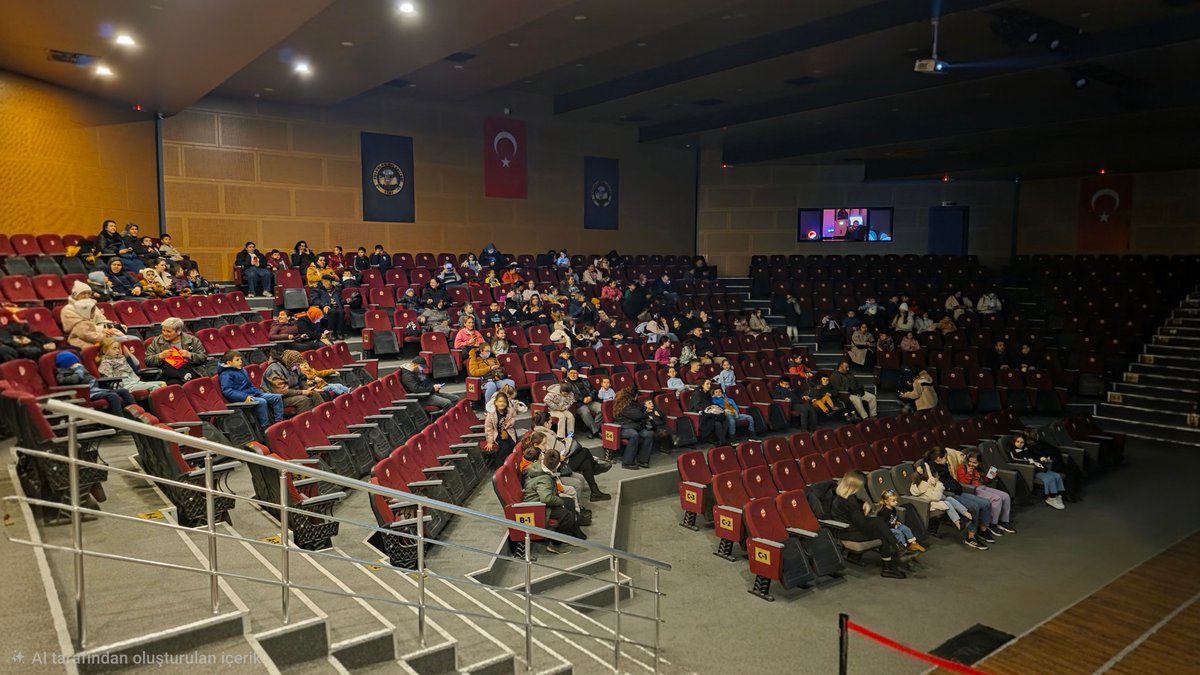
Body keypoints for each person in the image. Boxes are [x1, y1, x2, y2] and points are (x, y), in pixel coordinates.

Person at [831, 471, 907, 578]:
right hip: (847, 532)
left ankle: (889, 565)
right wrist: (868, 515)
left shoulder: (847, 497)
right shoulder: (848, 501)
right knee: (880, 523)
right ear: (853, 486)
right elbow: (861, 522)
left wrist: (864, 504)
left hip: (854, 529)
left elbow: (858, 508)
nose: (860, 488)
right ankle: (896, 554)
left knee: (883, 530)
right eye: (859, 486)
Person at [921, 448, 998, 543]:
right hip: (950, 495)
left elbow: (950, 451)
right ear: (938, 458)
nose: (947, 459)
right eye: (945, 458)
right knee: (974, 507)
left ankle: (983, 531)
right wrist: (920, 468)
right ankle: (970, 537)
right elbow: (924, 470)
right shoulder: (930, 468)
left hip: (959, 491)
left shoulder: (943, 464)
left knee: (986, 503)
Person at [909, 462, 985, 549]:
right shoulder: (925, 487)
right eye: (936, 477)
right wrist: (939, 485)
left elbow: (938, 496)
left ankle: (964, 512)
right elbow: (936, 497)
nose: (938, 478)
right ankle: (957, 522)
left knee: (950, 499)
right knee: (948, 503)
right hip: (928, 504)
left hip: (934, 500)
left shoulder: (926, 484)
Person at [522, 450, 585, 552]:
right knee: (567, 515)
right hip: (538, 506)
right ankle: (555, 543)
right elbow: (546, 498)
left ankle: (570, 534)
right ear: (557, 465)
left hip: (543, 501)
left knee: (569, 502)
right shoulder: (544, 478)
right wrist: (560, 502)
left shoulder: (539, 466)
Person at [55, 350, 136, 416]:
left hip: (96, 389)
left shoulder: (79, 368)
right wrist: (78, 370)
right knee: (112, 395)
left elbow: (90, 377)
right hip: (86, 393)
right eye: (74, 363)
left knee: (124, 391)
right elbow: (73, 381)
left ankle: (136, 414)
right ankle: (121, 422)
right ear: (67, 364)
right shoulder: (63, 374)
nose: (77, 364)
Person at [956, 451, 1017, 534]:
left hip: (982, 487)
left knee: (1005, 496)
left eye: (974, 463)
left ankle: (1003, 521)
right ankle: (992, 524)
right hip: (973, 489)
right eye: (969, 461)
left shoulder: (978, 469)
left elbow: (982, 481)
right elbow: (962, 483)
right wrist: (969, 473)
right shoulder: (961, 467)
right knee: (996, 499)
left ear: (979, 463)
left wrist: (990, 476)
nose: (971, 464)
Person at [218, 351, 282, 428]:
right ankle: (265, 426)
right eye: (237, 360)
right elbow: (227, 391)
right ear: (229, 362)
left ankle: (279, 421)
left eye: (241, 359)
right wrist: (244, 397)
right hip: (242, 397)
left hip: (253, 393)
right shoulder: (225, 374)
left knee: (277, 397)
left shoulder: (242, 370)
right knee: (262, 402)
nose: (241, 361)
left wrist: (257, 392)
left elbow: (249, 384)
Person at [1008, 433, 1067, 510]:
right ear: (1014, 442)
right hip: (1030, 470)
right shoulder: (1012, 450)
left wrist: (1041, 457)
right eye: (1017, 442)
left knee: (1057, 476)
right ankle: (1051, 498)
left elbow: (1034, 455)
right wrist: (1028, 461)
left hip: (1038, 466)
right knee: (1050, 478)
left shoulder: (1026, 448)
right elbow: (1014, 460)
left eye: (1022, 442)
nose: (1019, 444)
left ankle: (1057, 495)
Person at [63, 281, 127, 349]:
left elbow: (101, 320)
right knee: (123, 341)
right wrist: (102, 329)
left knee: (131, 339)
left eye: (88, 293)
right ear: (75, 295)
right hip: (81, 339)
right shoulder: (68, 309)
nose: (86, 296)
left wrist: (111, 326)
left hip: (98, 335)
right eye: (83, 293)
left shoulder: (92, 306)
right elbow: (80, 329)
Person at [144, 317, 208, 383]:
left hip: (191, 371)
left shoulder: (192, 340)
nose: (164, 333)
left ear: (178, 331)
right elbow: (147, 360)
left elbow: (203, 358)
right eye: (163, 330)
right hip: (168, 376)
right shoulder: (156, 341)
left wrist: (189, 355)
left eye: (168, 331)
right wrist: (160, 356)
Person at [262, 347, 323, 415]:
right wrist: (302, 392)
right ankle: (303, 423)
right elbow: (282, 391)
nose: (297, 366)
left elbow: (301, 378)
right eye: (295, 363)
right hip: (278, 398)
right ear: (289, 362)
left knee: (314, 394)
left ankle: (320, 419)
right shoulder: (274, 369)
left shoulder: (293, 366)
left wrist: (306, 388)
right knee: (303, 400)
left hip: (293, 393)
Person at [96, 337, 166, 392]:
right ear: (104, 351)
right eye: (114, 349)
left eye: (118, 348)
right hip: (124, 385)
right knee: (155, 387)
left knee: (162, 383)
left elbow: (136, 365)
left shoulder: (121, 358)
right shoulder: (105, 363)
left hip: (134, 382)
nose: (117, 350)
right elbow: (110, 380)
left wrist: (128, 354)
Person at [613, 387, 654, 469]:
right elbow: (637, 416)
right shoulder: (624, 404)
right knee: (634, 434)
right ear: (634, 395)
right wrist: (646, 414)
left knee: (649, 434)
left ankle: (642, 460)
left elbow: (640, 409)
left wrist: (645, 410)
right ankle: (627, 462)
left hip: (634, 426)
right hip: (622, 428)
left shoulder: (633, 403)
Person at [560, 368, 602, 438]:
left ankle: (593, 430)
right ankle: (596, 432)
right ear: (568, 374)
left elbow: (594, 390)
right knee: (586, 412)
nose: (573, 375)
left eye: (575, 373)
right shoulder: (565, 382)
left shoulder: (584, 380)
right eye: (571, 373)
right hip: (578, 404)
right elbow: (570, 394)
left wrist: (590, 397)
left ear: (578, 374)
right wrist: (582, 399)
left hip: (590, 401)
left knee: (601, 409)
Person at [483, 391, 517, 466]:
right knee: (505, 447)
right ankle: (501, 465)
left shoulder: (509, 410)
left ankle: (511, 464)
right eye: (500, 401)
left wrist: (510, 423)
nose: (502, 404)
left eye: (504, 402)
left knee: (513, 445)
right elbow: (488, 428)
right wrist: (490, 441)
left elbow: (513, 418)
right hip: (496, 433)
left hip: (507, 431)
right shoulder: (491, 414)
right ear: (496, 402)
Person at [311, 275, 346, 340]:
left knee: (341, 311)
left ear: (331, 282)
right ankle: (331, 333)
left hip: (336, 307)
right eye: (324, 281)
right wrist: (324, 305)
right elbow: (315, 300)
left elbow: (340, 300)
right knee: (332, 311)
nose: (326, 283)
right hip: (324, 307)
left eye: (328, 282)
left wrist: (346, 301)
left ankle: (339, 332)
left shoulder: (336, 289)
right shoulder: (317, 289)